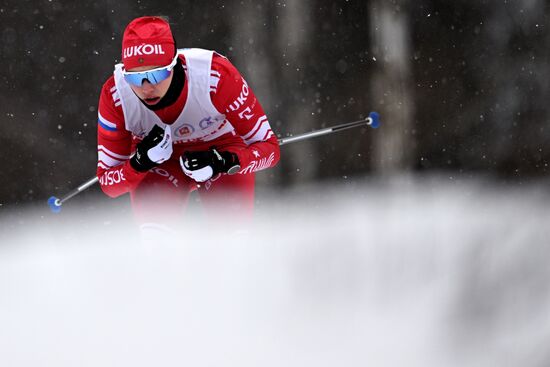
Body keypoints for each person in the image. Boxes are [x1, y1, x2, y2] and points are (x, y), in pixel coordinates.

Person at [96, 16, 280, 231]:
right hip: (160, 163)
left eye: (156, 75)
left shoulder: (216, 77)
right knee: (155, 239)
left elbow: (270, 150)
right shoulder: (116, 95)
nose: (146, 87)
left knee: (231, 237)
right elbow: (109, 184)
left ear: (174, 64)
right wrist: (139, 162)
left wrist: (224, 161)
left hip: (220, 148)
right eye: (135, 78)